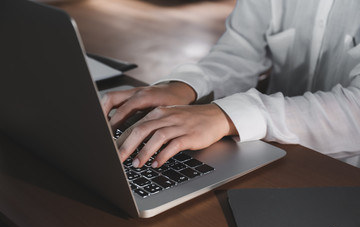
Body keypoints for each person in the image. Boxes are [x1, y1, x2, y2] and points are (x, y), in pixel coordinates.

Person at [102, 0, 360, 168]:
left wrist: (227, 116)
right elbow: (240, 52)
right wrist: (185, 87)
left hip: (347, 172)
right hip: (273, 153)